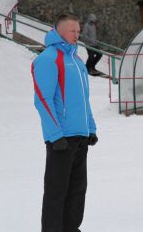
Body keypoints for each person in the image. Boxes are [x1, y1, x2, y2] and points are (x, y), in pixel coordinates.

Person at [31, 14, 98, 232]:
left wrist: (91, 128)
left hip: (80, 136)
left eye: (78, 31)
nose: (77, 35)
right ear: (59, 31)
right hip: (61, 138)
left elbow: (83, 99)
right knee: (56, 192)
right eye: (72, 31)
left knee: (78, 190)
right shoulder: (49, 59)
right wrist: (54, 134)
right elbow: (43, 99)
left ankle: (71, 228)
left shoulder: (77, 61)